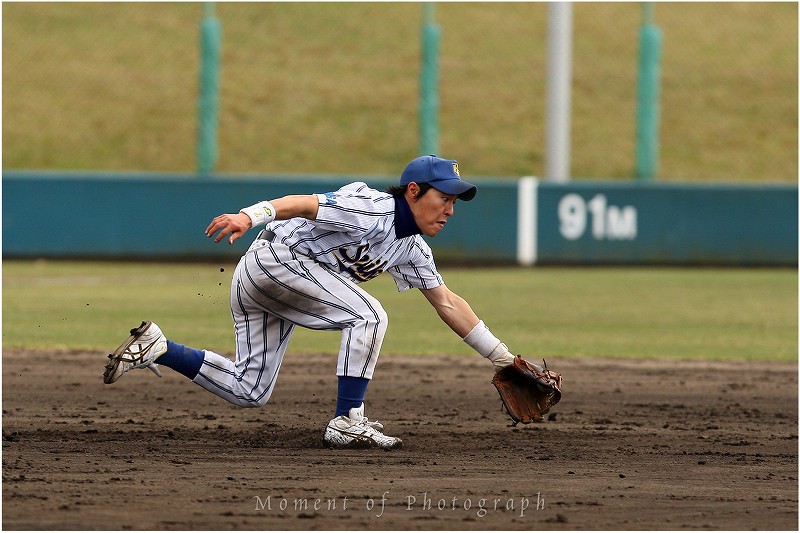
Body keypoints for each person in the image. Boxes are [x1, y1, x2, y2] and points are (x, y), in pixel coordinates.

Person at [103, 155, 524, 450]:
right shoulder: (372, 208)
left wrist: (502, 359)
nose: (449, 210)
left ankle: (159, 347)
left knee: (248, 390)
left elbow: (447, 303)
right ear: (413, 191)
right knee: (369, 315)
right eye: (443, 198)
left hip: (279, 284)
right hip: (274, 262)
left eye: (454, 202)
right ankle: (347, 421)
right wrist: (248, 216)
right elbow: (300, 203)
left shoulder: (412, 248)